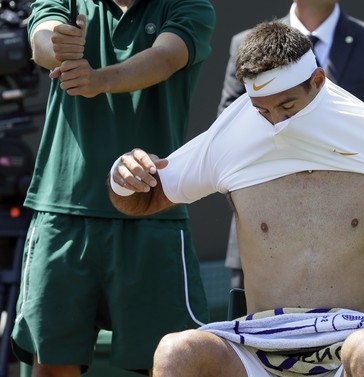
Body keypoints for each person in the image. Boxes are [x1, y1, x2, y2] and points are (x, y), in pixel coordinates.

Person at [108, 21, 364, 377]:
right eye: (262, 110)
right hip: (260, 347)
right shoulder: (232, 133)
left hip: (353, 342)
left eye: (287, 106)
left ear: (318, 82)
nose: (276, 123)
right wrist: (124, 176)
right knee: (175, 351)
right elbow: (140, 200)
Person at [11, 0, 215, 376]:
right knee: (52, 365)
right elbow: (41, 40)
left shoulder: (190, 5)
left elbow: (166, 57)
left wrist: (98, 80)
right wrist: (58, 44)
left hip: (154, 211)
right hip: (63, 213)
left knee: (171, 362)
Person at [220, 0, 364, 291]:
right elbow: (229, 138)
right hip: (261, 244)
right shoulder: (245, 45)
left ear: (319, 79)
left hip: (355, 248)